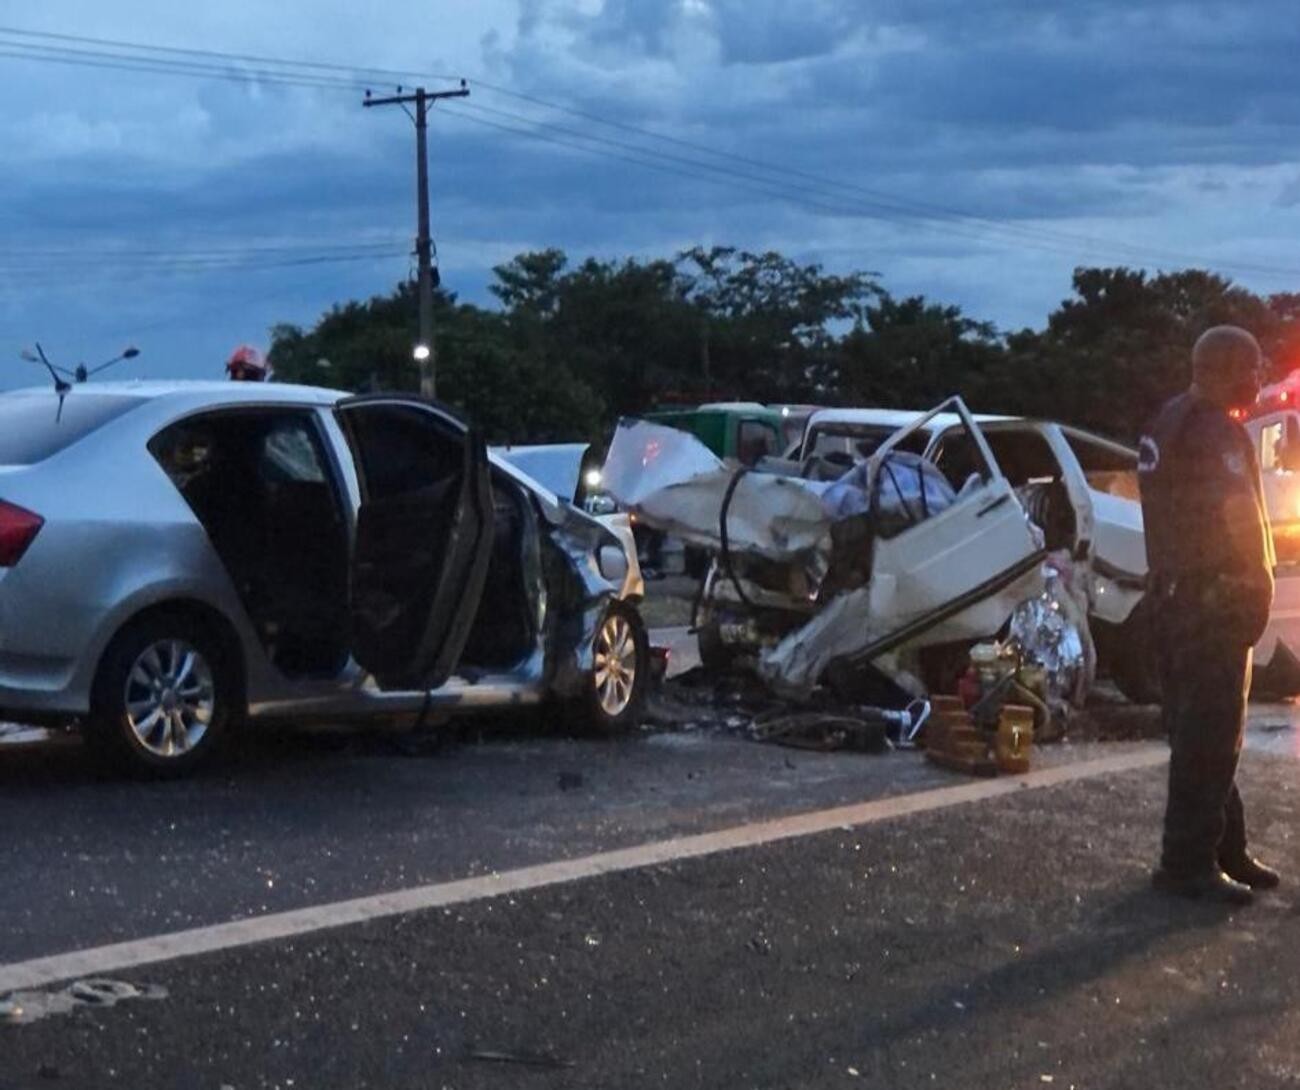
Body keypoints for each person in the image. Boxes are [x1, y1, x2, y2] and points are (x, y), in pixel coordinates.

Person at [1138, 325, 1279, 905]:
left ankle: (1225, 847)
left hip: (1172, 600)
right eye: (1252, 367)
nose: (1259, 377)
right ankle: (1187, 862)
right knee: (1211, 734)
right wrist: (1259, 581)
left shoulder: (1165, 421)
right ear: (1225, 367)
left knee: (1202, 730)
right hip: (1212, 600)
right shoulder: (1216, 430)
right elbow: (1239, 515)